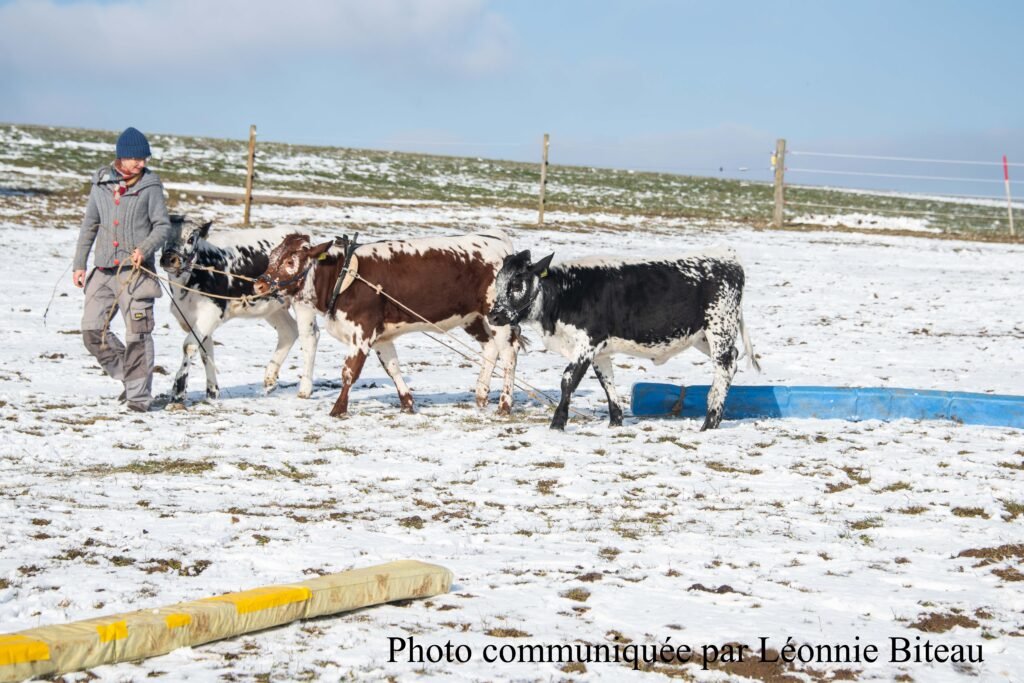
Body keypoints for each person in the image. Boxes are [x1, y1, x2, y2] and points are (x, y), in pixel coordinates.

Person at [72, 127, 171, 412]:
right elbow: (89, 224)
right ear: (121, 157)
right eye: (136, 158)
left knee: (138, 335)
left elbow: (162, 226)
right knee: (92, 331)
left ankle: (138, 398)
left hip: (136, 273)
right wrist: (80, 264)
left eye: (145, 158)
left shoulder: (151, 185)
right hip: (103, 271)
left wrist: (145, 248)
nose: (142, 163)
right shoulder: (101, 183)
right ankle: (130, 379)